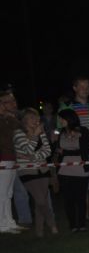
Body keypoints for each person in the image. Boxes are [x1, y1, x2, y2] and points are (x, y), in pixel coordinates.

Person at [13, 108, 58, 236]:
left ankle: (39, 231)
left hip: (42, 169)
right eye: (32, 118)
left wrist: (33, 156)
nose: (36, 120)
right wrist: (35, 135)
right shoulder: (18, 133)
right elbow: (27, 149)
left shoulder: (41, 132)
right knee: (41, 200)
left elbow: (48, 151)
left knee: (41, 200)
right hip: (27, 171)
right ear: (24, 120)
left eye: (37, 118)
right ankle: (52, 224)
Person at [55, 109, 89, 231]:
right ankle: (72, 225)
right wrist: (53, 142)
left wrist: (65, 151)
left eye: (62, 119)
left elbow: (85, 149)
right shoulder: (60, 132)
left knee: (80, 198)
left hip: (80, 169)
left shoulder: (83, 131)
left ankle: (82, 224)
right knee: (68, 199)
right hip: (64, 170)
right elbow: (56, 150)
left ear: (69, 119)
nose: (60, 121)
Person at [0, 86, 22, 234]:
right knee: (2, 193)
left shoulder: (9, 119)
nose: (13, 104)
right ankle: (2, 224)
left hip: (11, 158)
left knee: (8, 193)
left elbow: (20, 132)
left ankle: (10, 222)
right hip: (3, 159)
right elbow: (8, 140)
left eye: (13, 100)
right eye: (8, 101)